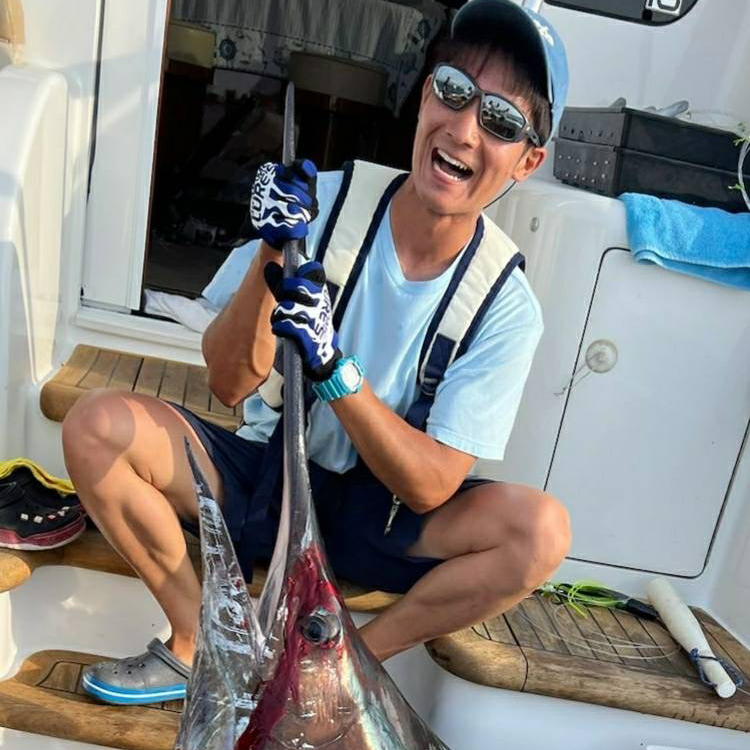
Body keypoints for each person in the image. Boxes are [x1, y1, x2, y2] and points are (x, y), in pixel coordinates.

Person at [63, 0, 572, 706]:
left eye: (501, 121)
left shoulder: (507, 305)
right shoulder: (321, 203)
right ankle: (200, 641)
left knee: (541, 532)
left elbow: (430, 486)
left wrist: (333, 369)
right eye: (454, 91)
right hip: (267, 480)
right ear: (425, 94)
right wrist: (271, 254)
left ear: (528, 160)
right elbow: (229, 381)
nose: (463, 128)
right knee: (93, 427)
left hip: (383, 518)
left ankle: (331, 668)